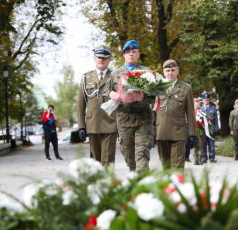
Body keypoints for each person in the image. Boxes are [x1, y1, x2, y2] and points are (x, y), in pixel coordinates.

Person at [107, 40, 155, 172]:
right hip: (124, 119)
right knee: (128, 155)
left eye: (134, 51)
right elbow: (106, 91)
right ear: (123, 55)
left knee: (142, 154)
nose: (131, 54)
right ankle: (135, 179)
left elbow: (155, 95)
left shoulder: (147, 72)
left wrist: (143, 97)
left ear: (138, 53)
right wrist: (111, 94)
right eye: (128, 52)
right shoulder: (115, 74)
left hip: (143, 118)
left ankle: (144, 185)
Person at [77, 45, 118, 166]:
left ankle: (108, 185)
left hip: (110, 123)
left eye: (104, 58)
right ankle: (98, 184)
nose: (101, 60)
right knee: (95, 162)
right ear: (94, 58)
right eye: (98, 57)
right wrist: (81, 126)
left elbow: (121, 101)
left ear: (109, 59)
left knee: (108, 161)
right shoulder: (86, 78)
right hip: (92, 124)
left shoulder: (116, 77)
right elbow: (81, 103)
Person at [155, 59, 197, 169]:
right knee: (166, 166)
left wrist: (192, 133)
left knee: (177, 167)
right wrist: (150, 131)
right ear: (163, 72)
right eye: (167, 70)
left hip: (178, 132)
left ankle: (177, 186)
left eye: (173, 70)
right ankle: (168, 186)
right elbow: (152, 111)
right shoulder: (156, 88)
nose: (170, 73)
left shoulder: (185, 88)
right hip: (161, 132)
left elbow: (190, 112)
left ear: (177, 71)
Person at [201, 91, 219, 163]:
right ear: (202, 100)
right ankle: (204, 157)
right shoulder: (200, 108)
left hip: (211, 129)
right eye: (205, 100)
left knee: (211, 144)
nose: (206, 101)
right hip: (202, 129)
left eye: (208, 100)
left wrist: (216, 128)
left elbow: (216, 119)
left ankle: (212, 158)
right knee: (203, 144)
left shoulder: (213, 108)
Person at [192, 98, 205, 165]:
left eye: (198, 102)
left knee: (200, 144)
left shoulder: (202, 110)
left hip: (201, 130)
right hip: (194, 130)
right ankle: (195, 159)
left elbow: (205, 119)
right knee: (195, 145)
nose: (197, 103)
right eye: (196, 102)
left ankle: (200, 159)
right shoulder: (191, 111)